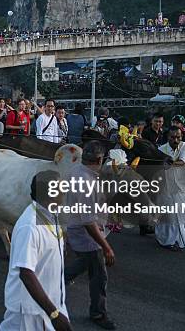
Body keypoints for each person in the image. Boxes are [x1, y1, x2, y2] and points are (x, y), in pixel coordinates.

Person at [0, 170, 71, 331]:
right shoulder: (29, 226)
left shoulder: (50, 213)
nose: (65, 191)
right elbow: (26, 273)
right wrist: (54, 315)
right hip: (29, 311)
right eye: (61, 188)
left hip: (48, 304)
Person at [64, 141, 116, 330]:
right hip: (87, 237)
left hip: (77, 230)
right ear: (99, 159)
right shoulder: (86, 182)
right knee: (99, 276)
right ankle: (98, 313)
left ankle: (52, 283)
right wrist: (106, 247)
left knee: (83, 266)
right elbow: (88, 222)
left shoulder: (76, 170)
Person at [157, 126, 185, 250]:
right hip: (165, 186)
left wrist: (169, 162)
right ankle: (168, 241)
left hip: (179, 185)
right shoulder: (161, 149)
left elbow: (183, 161)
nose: (176, 140)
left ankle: (173, 239)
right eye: (173, 137)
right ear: (168, 137)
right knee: (168, 214)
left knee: (181, 212)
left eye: (178, 137)